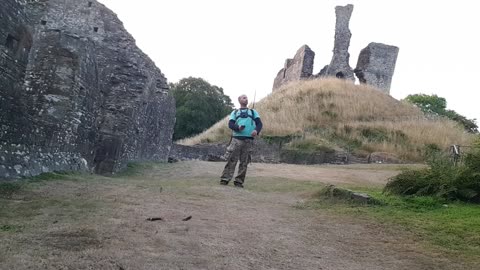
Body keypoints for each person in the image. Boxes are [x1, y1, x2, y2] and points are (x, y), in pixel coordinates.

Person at [220, 94, 263, 188]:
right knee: (232, 160)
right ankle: (225, 179)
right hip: (236, 139)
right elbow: (230, 124)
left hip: (248, 140)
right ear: (239, 100)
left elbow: (259, 123)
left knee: (244, 162)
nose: (246, 99)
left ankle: (239, 182)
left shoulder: (253, 112)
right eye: (244, 97)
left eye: (247, 97)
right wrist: (238, 127)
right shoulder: (235, 112)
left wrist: (256, 130)